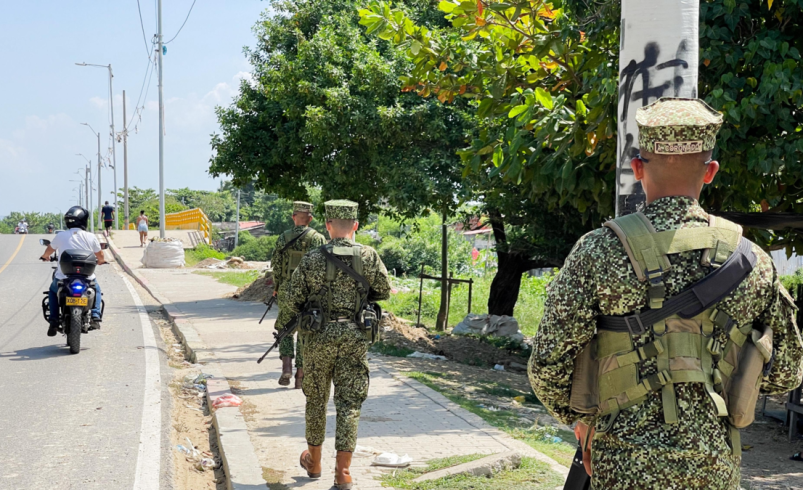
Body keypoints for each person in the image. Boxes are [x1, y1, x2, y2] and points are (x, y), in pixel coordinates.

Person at [529, 97, 803, 489]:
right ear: (710, 172)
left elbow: (548, 365)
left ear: (638, 168)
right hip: (714, 464)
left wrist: (582, 421)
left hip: (621, 460)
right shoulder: (753, 261)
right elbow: (787, 373)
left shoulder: (598, 250)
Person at [289, 200, 390, 489]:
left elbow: (293, 297)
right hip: (355, 337)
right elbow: (383, 291)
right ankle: (343, 473)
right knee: (349, 404)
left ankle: (315, 463)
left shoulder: (311, 258)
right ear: (355, 226)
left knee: (316, 400)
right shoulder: (369, 256)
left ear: (328, 225)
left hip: (318, 338)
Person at [270, 201, 327, 388]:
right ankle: (300, 377)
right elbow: (323, 267)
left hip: (287, 289)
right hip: (308, 293)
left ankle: (286, 367)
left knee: (285, 328)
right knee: (305, 330)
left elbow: (276, 266)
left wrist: (277, 286)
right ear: (310, 219)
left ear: (294, 217)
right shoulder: (318, 239)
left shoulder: (283, 237)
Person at [40, 206, 106, 336]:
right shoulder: (90, 237)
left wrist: (45, 257)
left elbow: (49, 250)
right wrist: (101, 261)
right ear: (84, 220)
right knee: (96, 289)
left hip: (63, 276)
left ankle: (53, 320)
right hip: (87, 276)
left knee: (53, 291)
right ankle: (95, 315)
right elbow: (100, 256)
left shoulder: (61, 235)